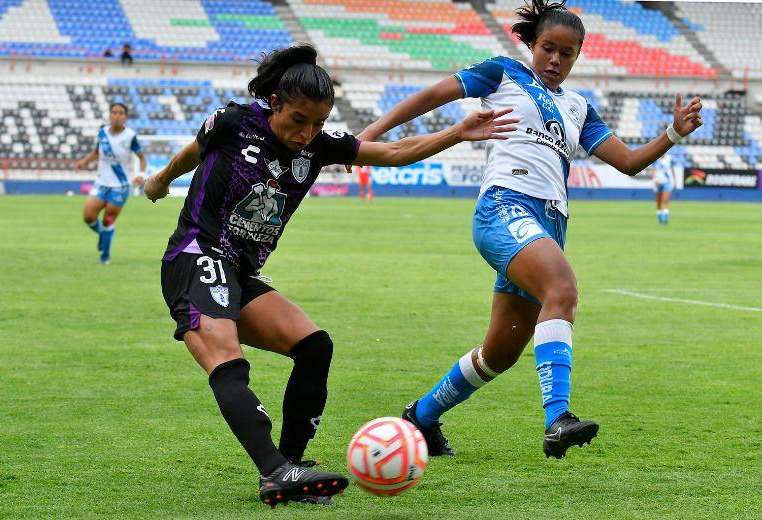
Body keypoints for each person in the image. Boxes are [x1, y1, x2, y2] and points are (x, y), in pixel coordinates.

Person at [143, 43, 516, 508]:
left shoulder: (318, 148)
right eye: (299, 120)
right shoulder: (234, 122)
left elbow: (395, 151)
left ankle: (292, 464)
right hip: (196, 256)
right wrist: (161, 179)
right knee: (226, 355)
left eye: (318, 123)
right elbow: (193, 152)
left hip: (238, 271)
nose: (308, 133)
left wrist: (457, 133)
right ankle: (275, 470)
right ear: (275, 103)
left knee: (314, 346)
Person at [356, 0, 703, 460]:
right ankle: (557, 419)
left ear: (578, 56)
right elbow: (431, 97)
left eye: (567, 53)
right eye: (548, 48)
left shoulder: (579, 108)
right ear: (531, 44)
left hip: (549, 226)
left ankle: (419, 418)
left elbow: (631, 161)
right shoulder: (502, 73)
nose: (556, 60)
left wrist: (673, 133)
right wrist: (368, 136)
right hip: (505, 206)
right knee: (563, 287)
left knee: (498, 354)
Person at [76, 103, 146, 264]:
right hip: (101, 183)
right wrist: (84, 162)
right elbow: (96, 151)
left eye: (121, 113)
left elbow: (142, 157)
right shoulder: (103, 133)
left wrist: (140, 174)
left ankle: (105, 256)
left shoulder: (130, 136)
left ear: (125, 117)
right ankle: (103, 235)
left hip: (120, 186)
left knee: (108, 220)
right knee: (88, 217)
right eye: (114, 112)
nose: (117, 115)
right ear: (110, 115)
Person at [650, 154, 674, 224]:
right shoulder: (655, 158)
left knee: (665, 200)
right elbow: (652, 171)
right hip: (658, 183)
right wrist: (654, 180)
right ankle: (659, 218)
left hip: (667, 182)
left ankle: (665, 219)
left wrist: (674, 180)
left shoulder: (669, 158)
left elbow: (672, 170)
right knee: (658, 202)